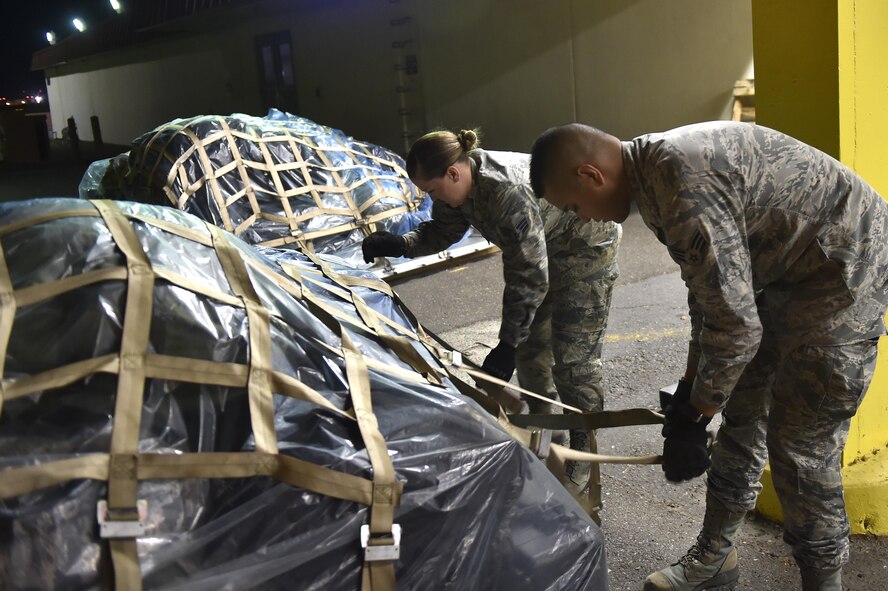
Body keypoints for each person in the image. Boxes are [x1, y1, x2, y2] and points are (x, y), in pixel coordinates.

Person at [529, 121, 888, 591]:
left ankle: (825, 583)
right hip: (786, 274)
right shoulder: (652, 179)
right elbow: (711, 299)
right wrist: (690, 389)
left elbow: (736, 327)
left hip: (845, 274)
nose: (584, 218)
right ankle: (715, 559)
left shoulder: (678, 178)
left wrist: (697, 418)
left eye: (574, 206)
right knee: (741, 413)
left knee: (800, 449)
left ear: (592, 174)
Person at [362, 129, 622, 491]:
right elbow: (441, 231)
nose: (431, 197)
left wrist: (507, 343)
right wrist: (400, 244)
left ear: (453, 173)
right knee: (533, 359)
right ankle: (551, 442)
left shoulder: (503, 190)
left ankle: (584, 455)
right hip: (543, 251)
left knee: (574, 361)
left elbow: (529, 274)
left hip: (585, 246)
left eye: (432, 190)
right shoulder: (459, 189)